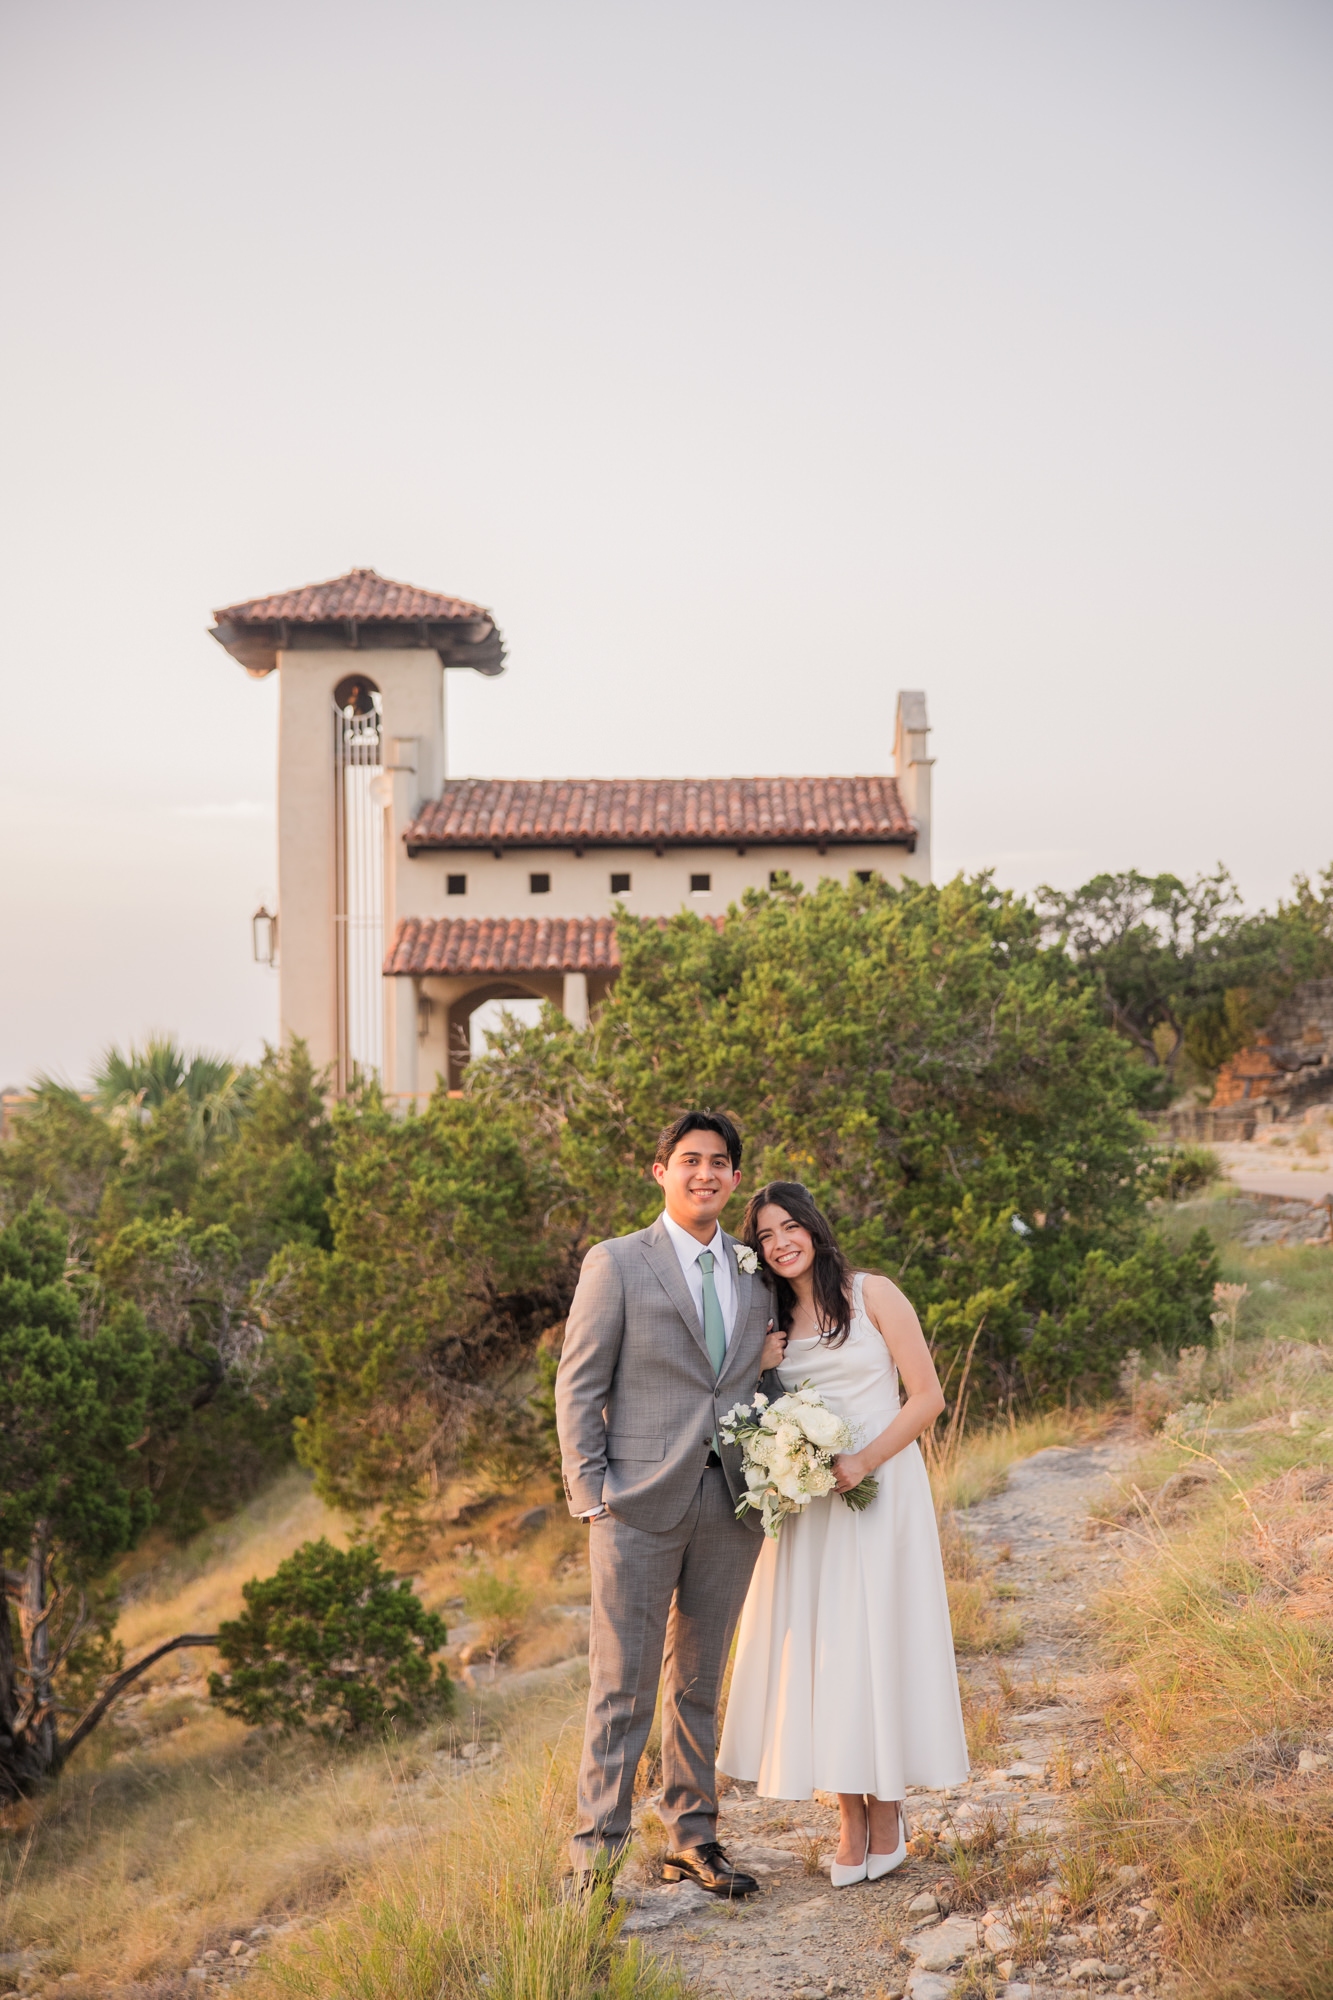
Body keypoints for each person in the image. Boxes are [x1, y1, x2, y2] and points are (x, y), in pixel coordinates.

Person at [555, 1111, 788, 1895]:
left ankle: (692, 1838)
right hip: (634, 1505)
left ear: (732, 1177)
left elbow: (760, 1381)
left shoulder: (754, 1272)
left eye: (720, 1163)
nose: (705, 1174)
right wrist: (589, 1494)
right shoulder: (617, 1263)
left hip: (731, 1504)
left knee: (696, 1682)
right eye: (689, 1160)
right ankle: (595, 1857)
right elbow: (579, 1383)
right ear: (660, 1171)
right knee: (620, 1688)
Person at [718, 1181, 969, 1886]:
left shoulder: (872, 1294)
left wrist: (860, 1460)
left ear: (816, 1229)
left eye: (790, 1227)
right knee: (828, 1656)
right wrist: (763, 1381)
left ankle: (886, 1813)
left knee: (876, 1644)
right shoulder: (767, 1325)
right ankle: (848, 1815)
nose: (780, 1243)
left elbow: (927, 1397)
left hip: (881, 1489)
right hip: (810, 1506)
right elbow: (752, 1411)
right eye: (765, 1236)